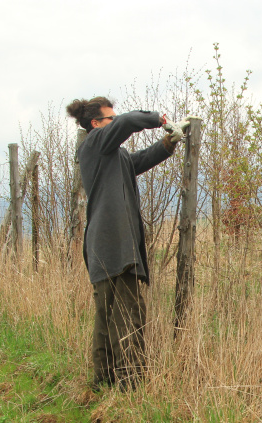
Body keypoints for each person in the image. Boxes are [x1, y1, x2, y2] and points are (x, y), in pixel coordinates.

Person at [66, 97, 189, 391]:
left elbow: (139, 161)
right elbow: (125, 123)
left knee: (107, 317)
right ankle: (131, 386)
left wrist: (168, 142)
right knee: (129, 315)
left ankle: (103, 382)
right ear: (96, 125)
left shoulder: (110, 156)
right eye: (110, 118)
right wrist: (160, 119)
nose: (115, 122)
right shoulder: (94, 144)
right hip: (115, 246)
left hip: (105, 247)